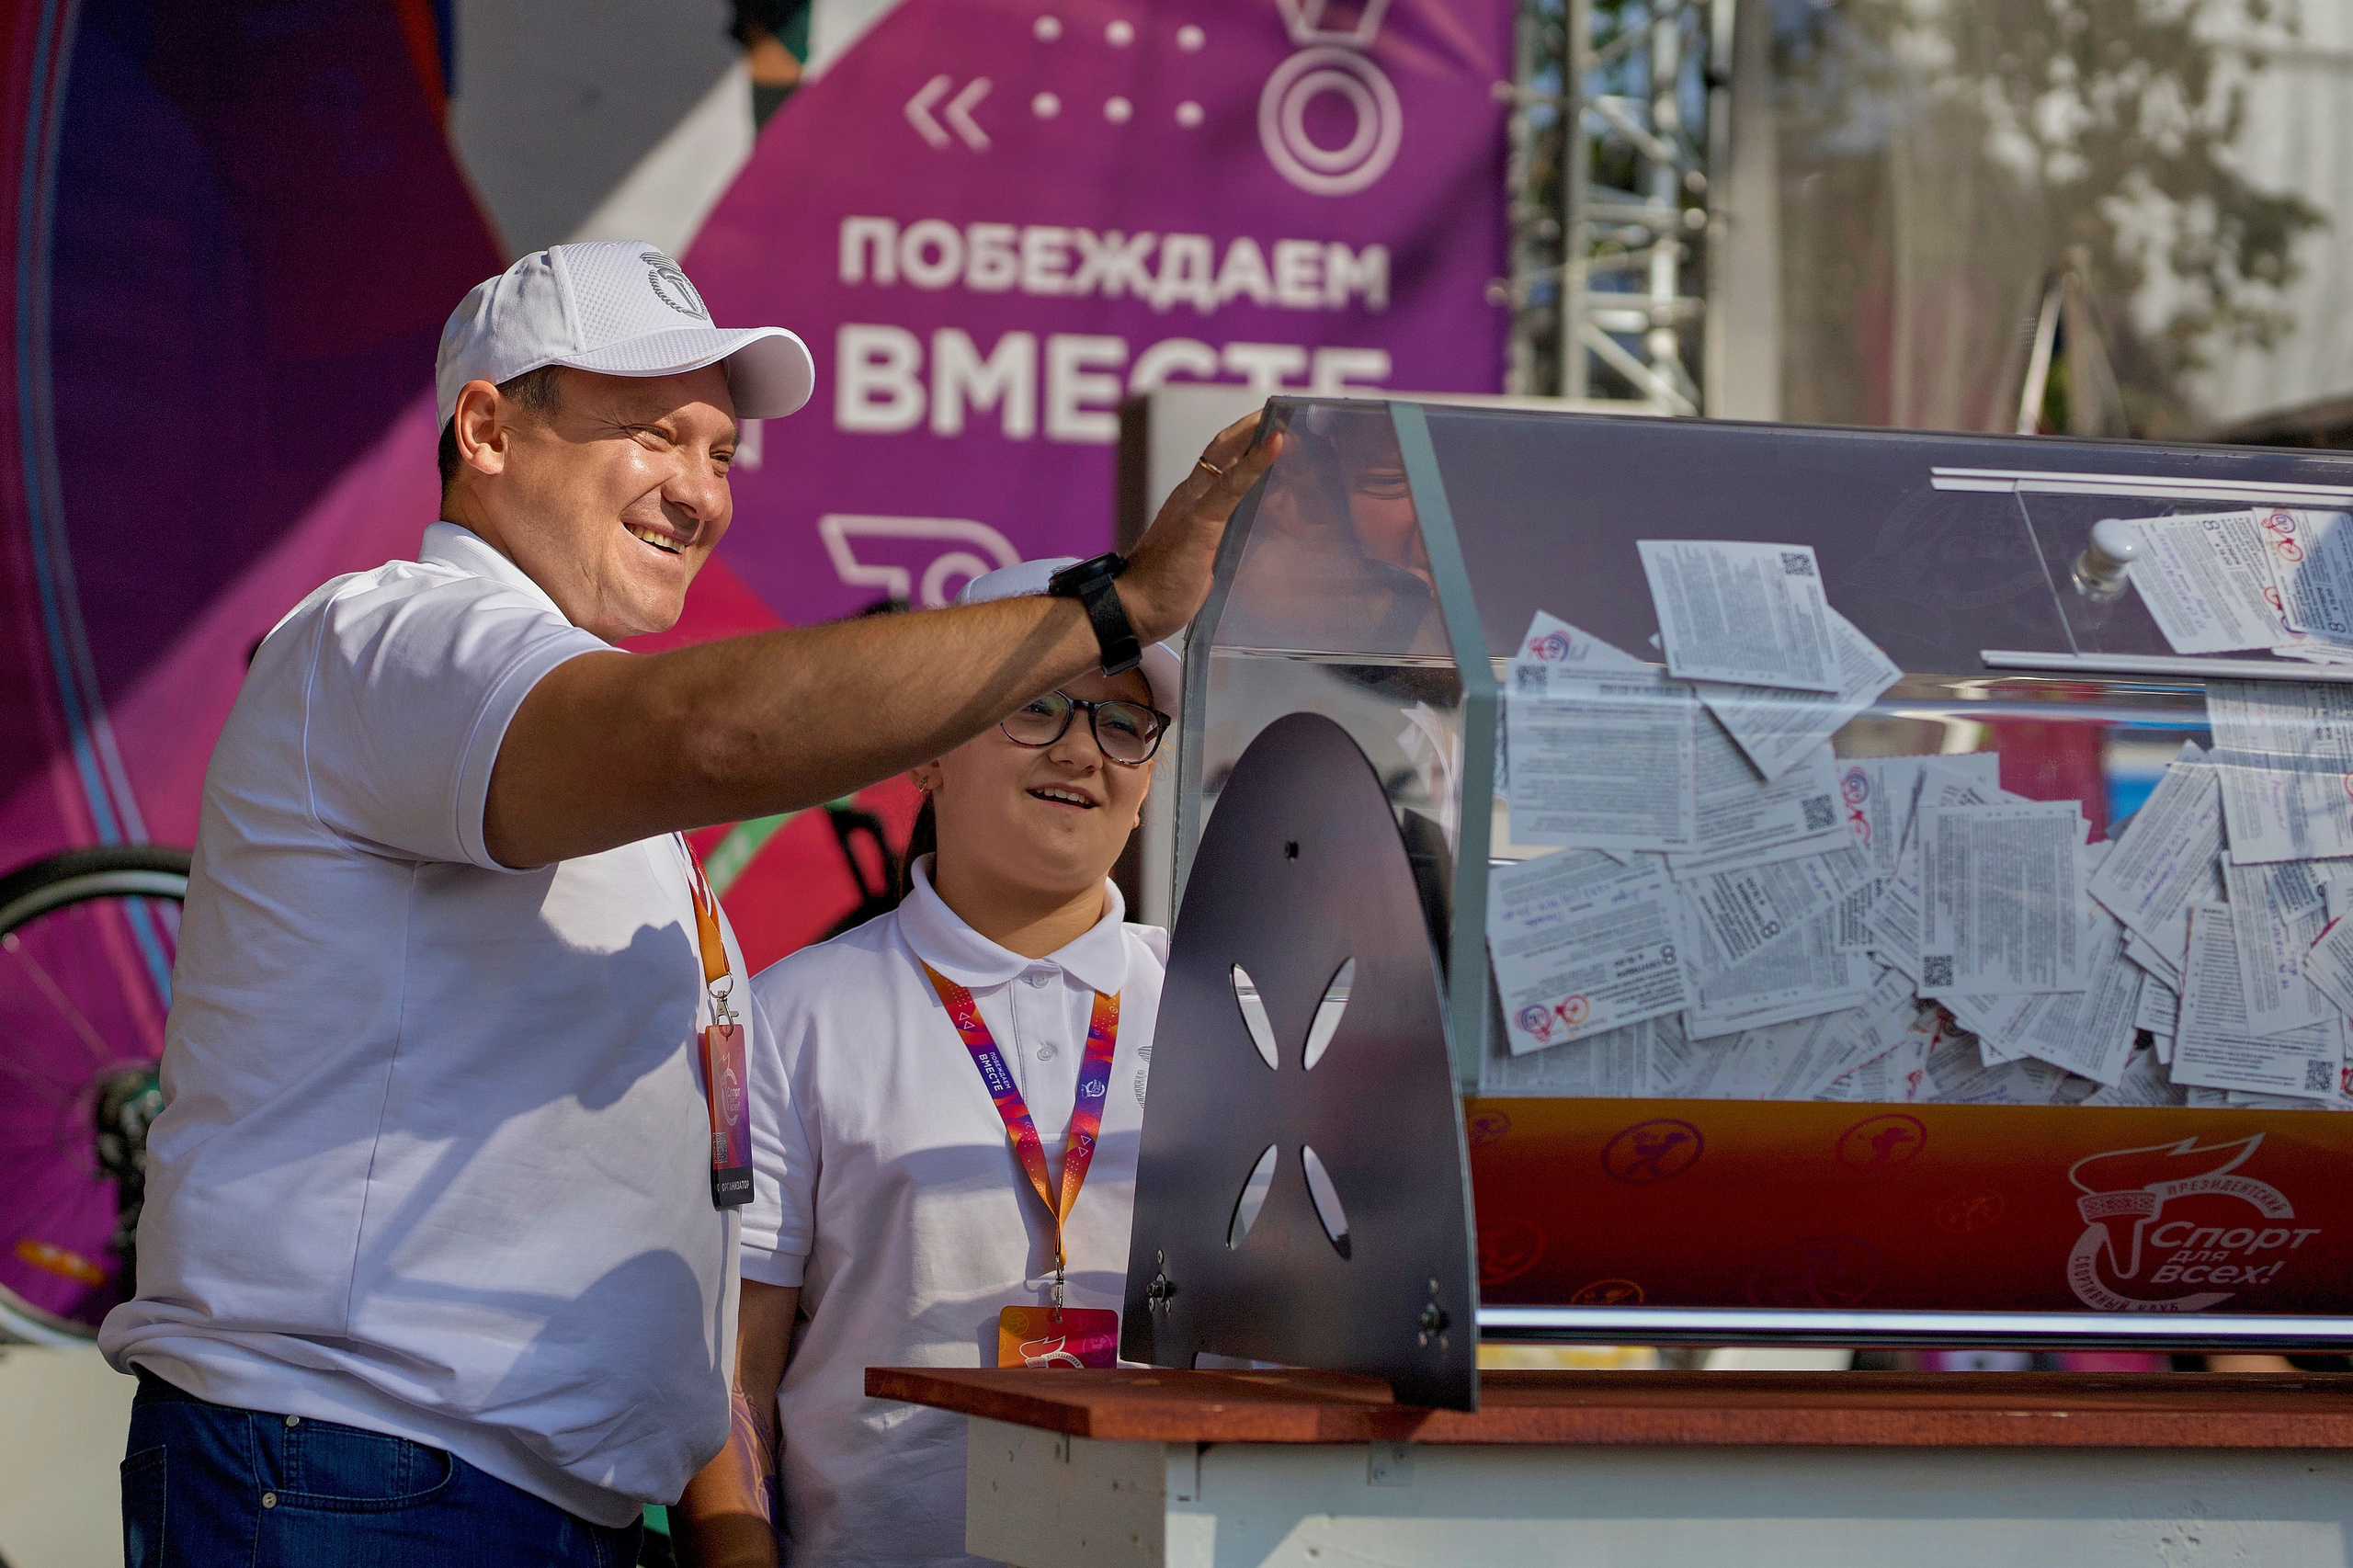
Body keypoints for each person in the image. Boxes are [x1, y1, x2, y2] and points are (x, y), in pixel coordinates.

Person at [99, 239, 1279, 1565]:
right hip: (354, 1471)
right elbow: (711, 734)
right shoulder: (394, 637)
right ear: (485, 430)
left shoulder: (578, 763)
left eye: (722, 454)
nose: (700, 493)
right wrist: (1115, 609)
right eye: (653, 434)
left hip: (502, 1495)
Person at [669, 560, 1177, 1568]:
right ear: (928, 750)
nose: (1082, 748)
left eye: (1123, 723)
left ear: (1148, 780)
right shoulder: (788, 1014)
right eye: (1038, 706)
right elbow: (730, 1378)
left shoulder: (1226, 1012)